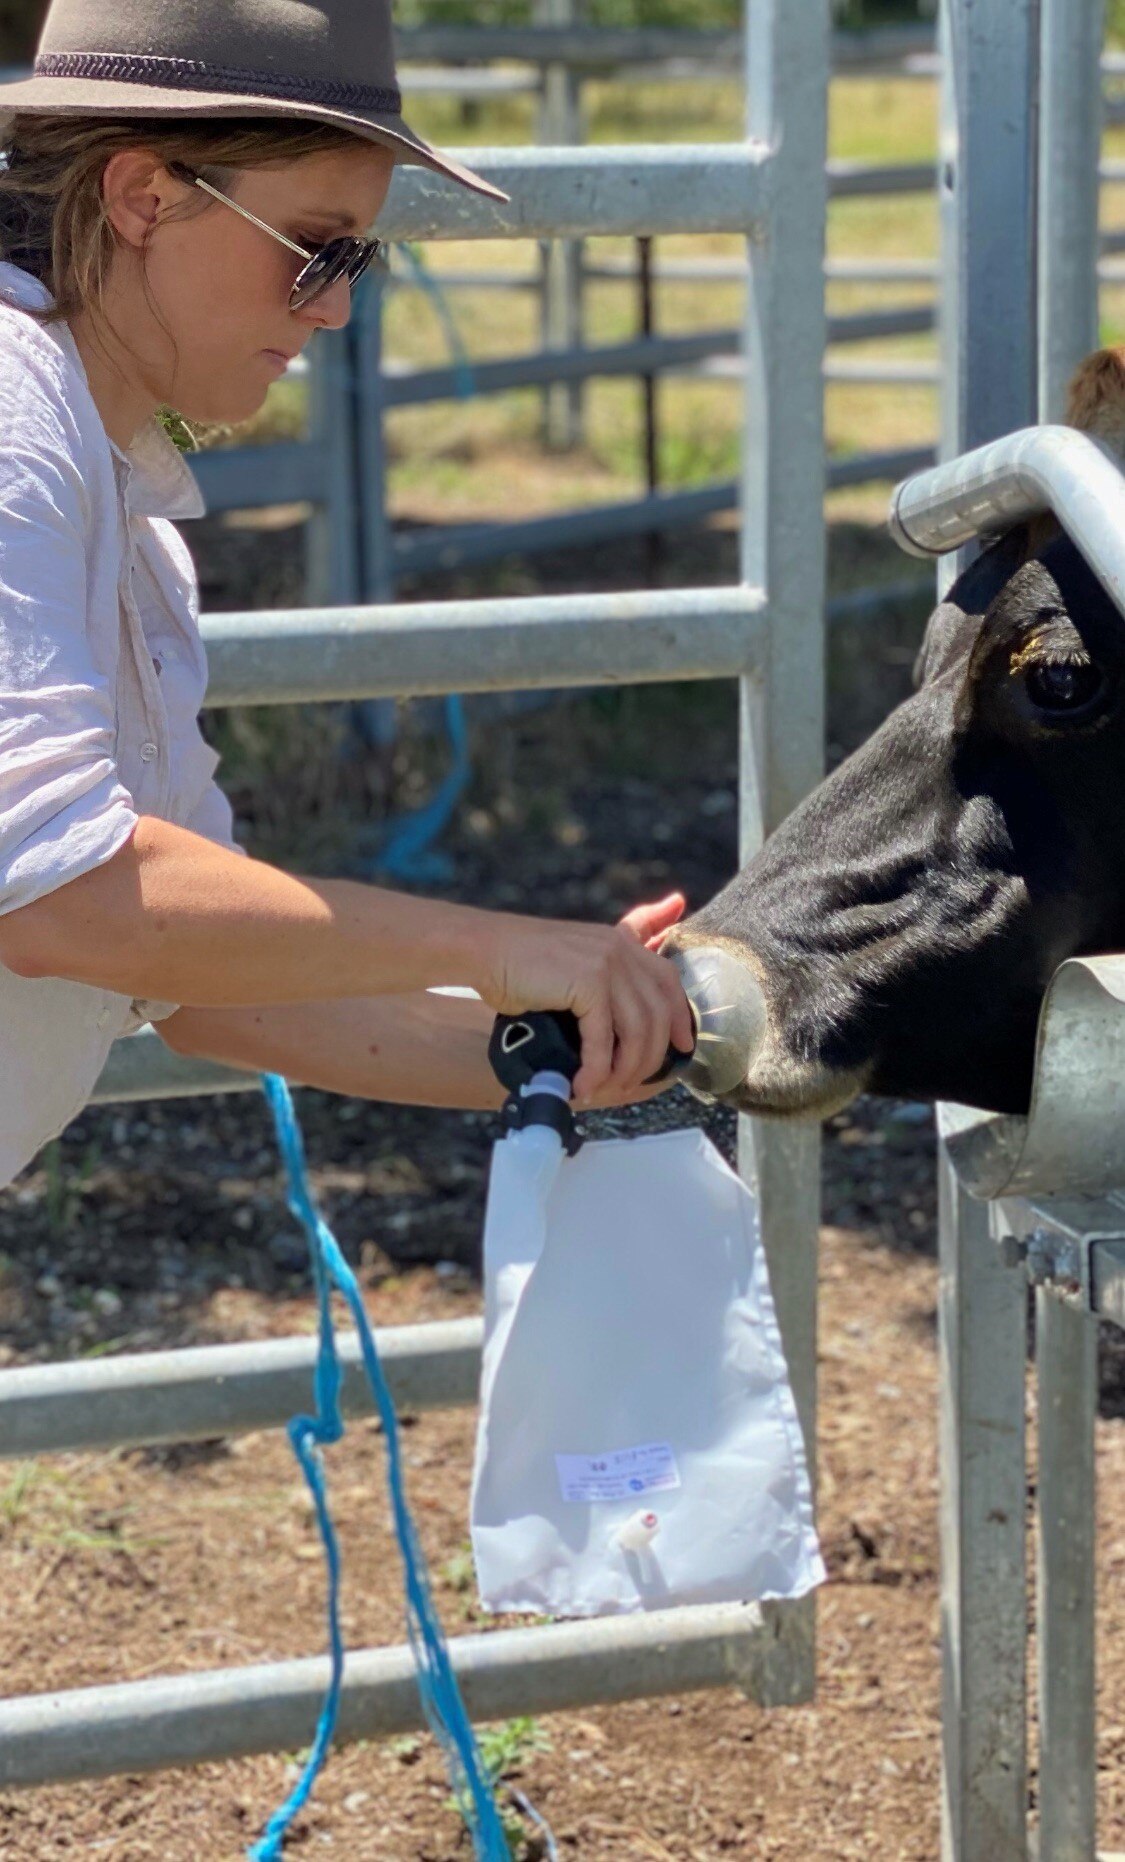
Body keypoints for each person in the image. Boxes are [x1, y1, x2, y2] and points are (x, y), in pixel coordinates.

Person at [0, 0, 694, 1191]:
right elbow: (61, 896)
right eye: (317, 247)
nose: (334, 306)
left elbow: (201, 987)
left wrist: (556, 1031)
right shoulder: (16, 422)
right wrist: (498, 945)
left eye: (360, 258)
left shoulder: (114, 496)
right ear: (143, 196)